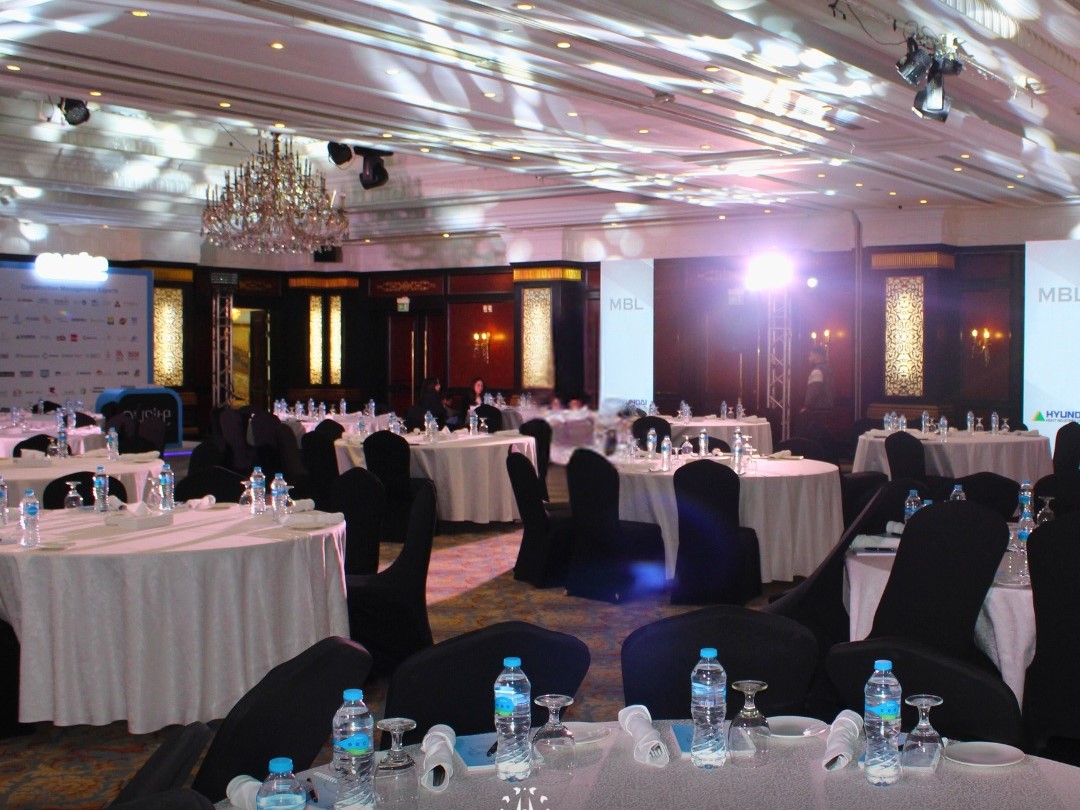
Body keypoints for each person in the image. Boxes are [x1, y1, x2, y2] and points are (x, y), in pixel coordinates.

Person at [803, 345, 835, 412]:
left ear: (817, 355)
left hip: (817, 409)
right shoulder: (829, 370)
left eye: (811, 356)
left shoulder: (817, 371)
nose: (809, 359)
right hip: (829, 408)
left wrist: (806, 406)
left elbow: (814, 391)